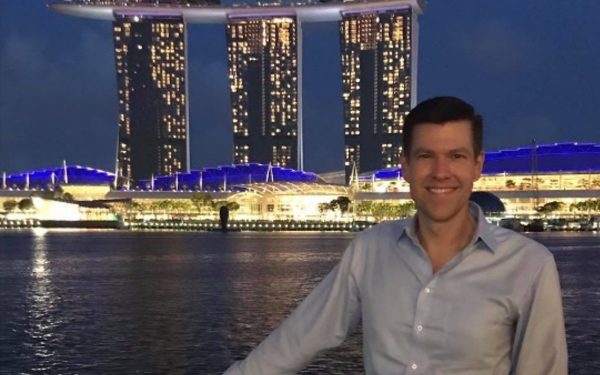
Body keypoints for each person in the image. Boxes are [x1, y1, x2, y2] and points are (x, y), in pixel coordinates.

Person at [224, 96, 568, 374]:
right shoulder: (370, 250)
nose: (440, 172)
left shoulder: (529, 266)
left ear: (477, 165)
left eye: (456, 156)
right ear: (404, 165)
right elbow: (298, 339)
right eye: (425, 156)